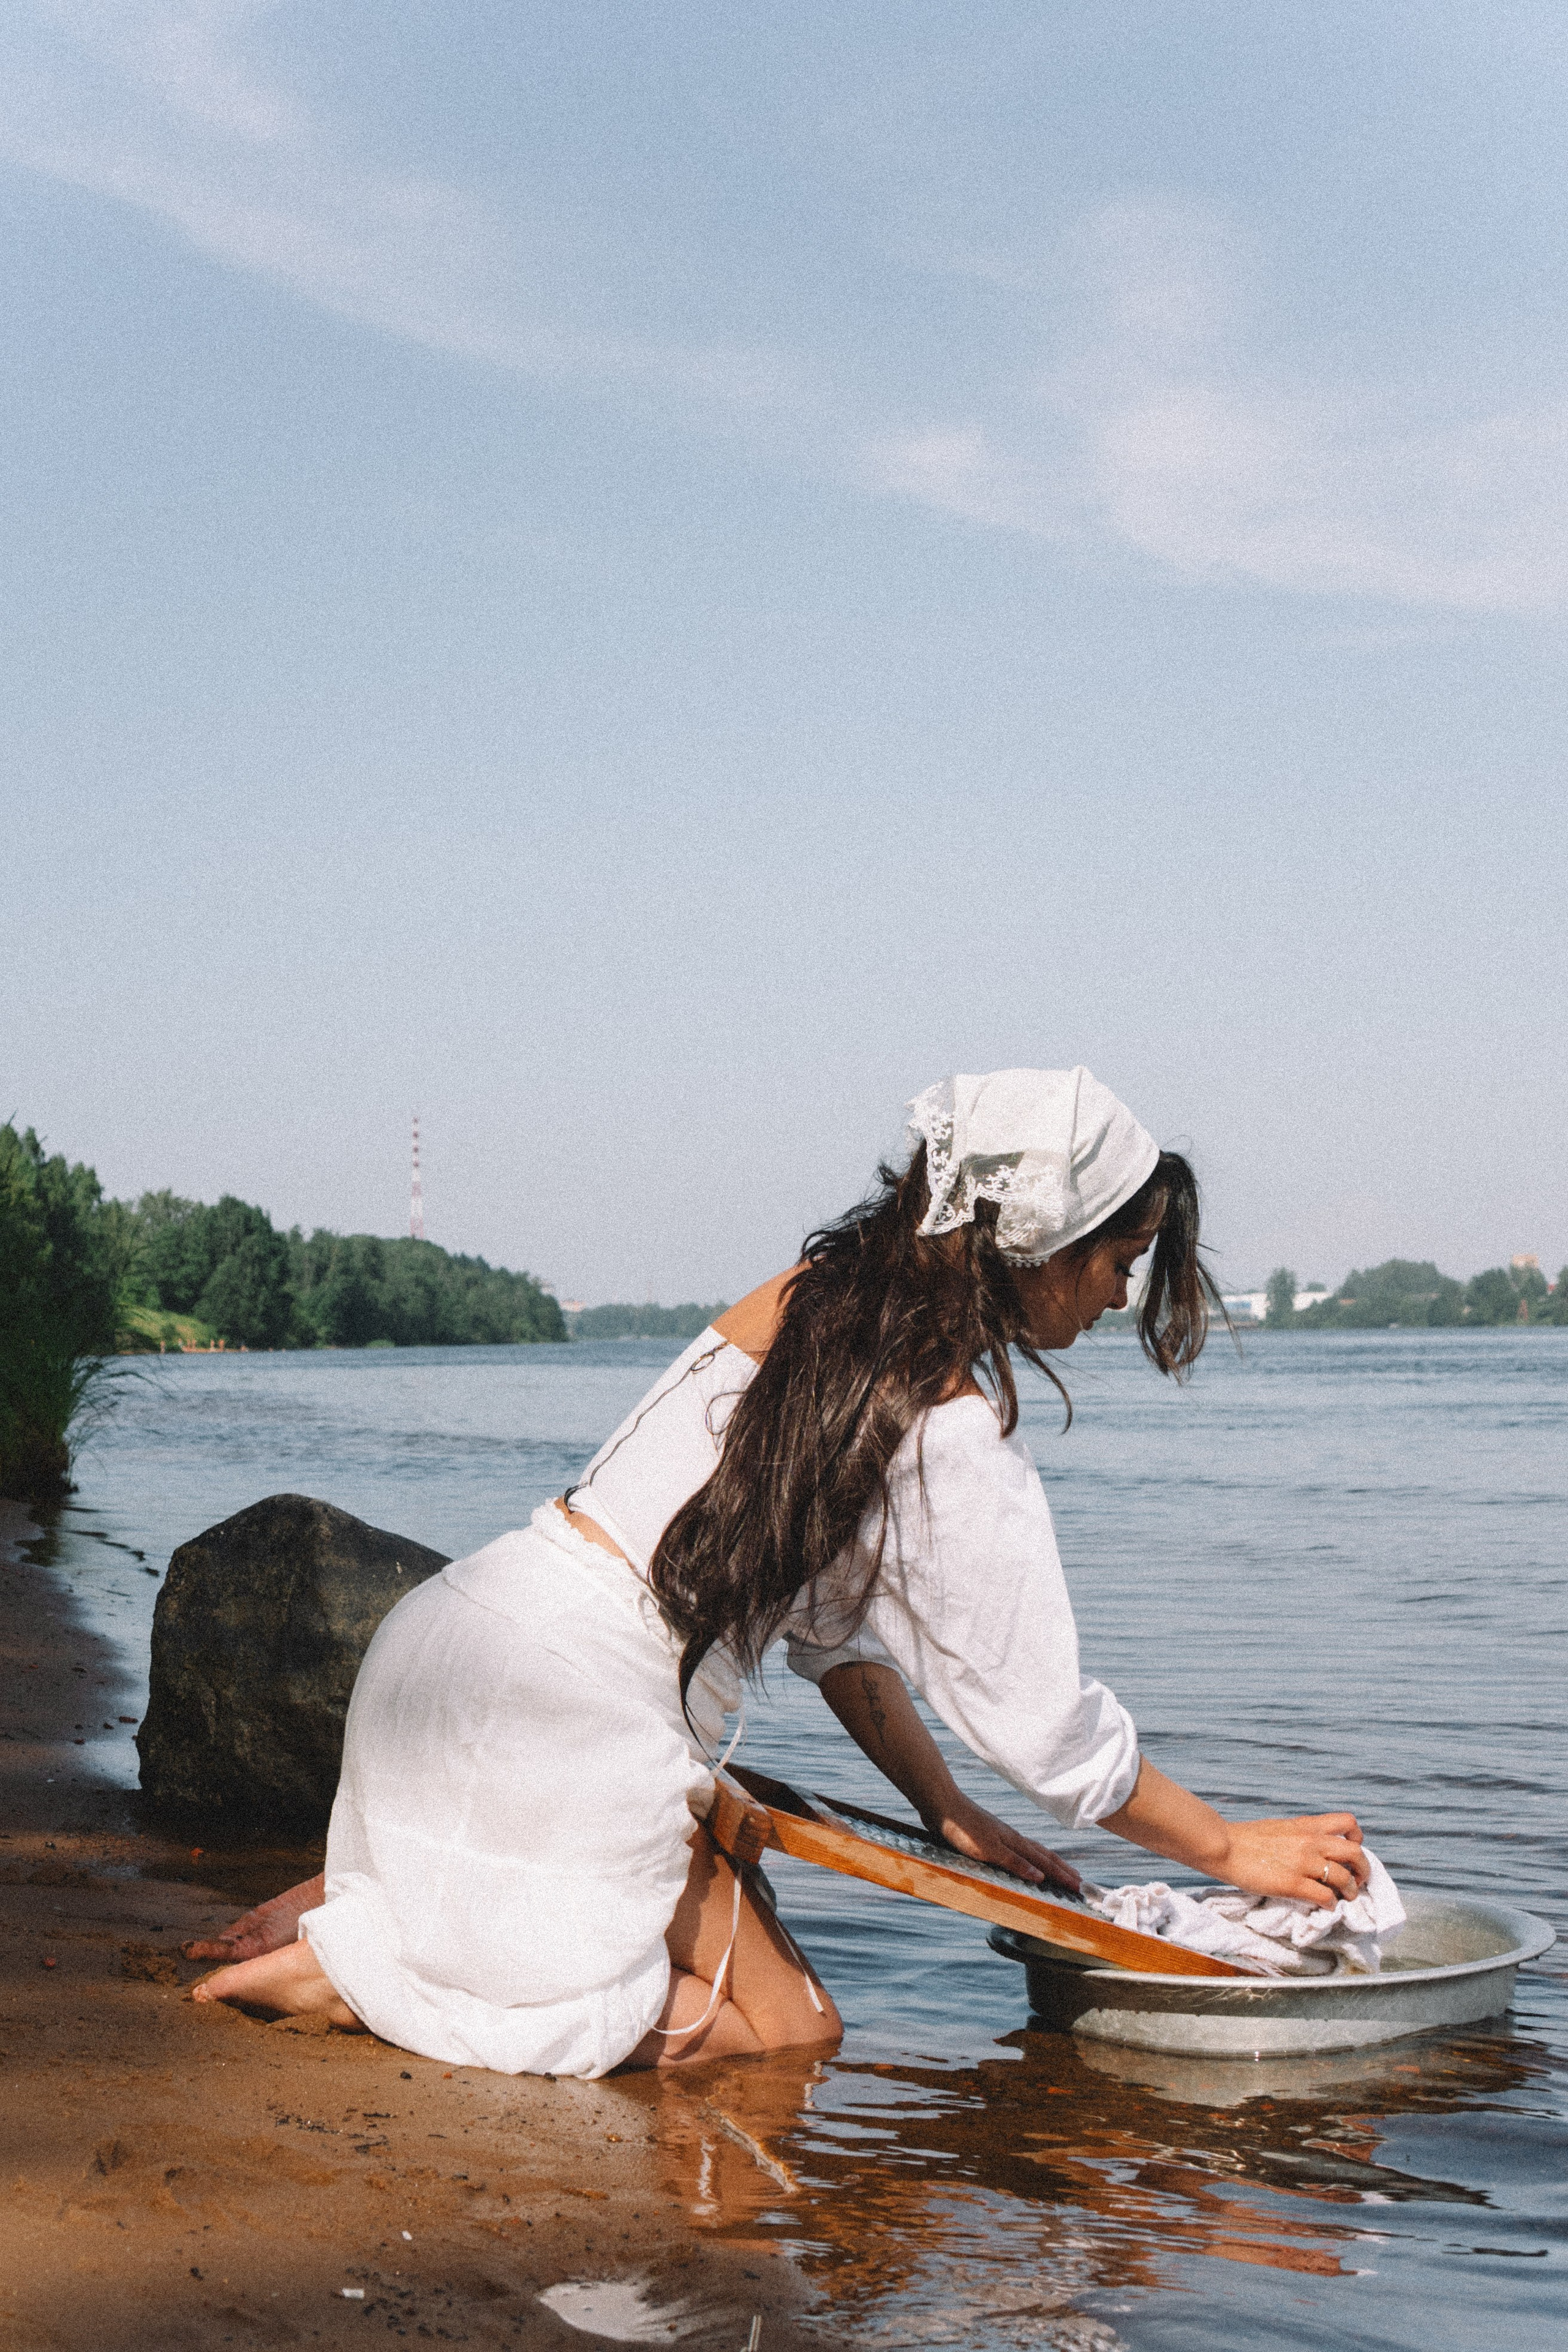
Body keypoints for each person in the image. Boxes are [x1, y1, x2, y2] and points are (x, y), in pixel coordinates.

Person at [191, 1068, 1369, 2073]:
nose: (1120, 1292)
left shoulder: (808, 1305)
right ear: (1042, 1246)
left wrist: (941, 1806)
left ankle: (408, 1915)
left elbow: (833, 1642)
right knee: (788, 2035)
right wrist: (1225, 1849)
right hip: (569, 1716)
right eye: (1120, 1258)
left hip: (447, 1642)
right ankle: (371, 1980)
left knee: (697, 1898)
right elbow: (1051, 1733)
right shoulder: (946, 1425)